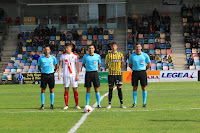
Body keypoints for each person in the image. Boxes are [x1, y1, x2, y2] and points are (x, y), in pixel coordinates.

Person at [58, 43, 81, 110]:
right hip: (66, 75)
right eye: (66, 48)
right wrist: (59, 74)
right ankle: (66, 105)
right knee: (66, 89)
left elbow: (77, 66)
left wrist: (77, 74)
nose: (66, 49)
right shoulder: (62, 56)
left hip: (73, 75)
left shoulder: (75, 56)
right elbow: (60, 65)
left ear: (71, 48)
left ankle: (76, 104)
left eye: (68, 47)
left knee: (75, 89)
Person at [129, 43, 151, 108]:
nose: (138, 48)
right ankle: (135, 103)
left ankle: (144, 103)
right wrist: (135, 68)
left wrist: (144, 69)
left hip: (142, 72)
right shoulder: (132, 56)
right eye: (137, 47)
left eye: (139, 47)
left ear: (141, 48)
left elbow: (149, 64)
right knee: (135, 87)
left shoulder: (145, 55)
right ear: (135, 48)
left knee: (144, 87)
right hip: (135, 72)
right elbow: (130, 65)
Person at [105, 43, 126, 109]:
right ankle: (109, 103)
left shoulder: (120, 55)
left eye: (114, 46)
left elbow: (123, 63)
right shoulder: (108, 55)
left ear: (117, 46)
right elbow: (106, 64)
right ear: (111, 47)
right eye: (112, 46)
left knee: (119, 88)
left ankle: (121, 103)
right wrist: (110, 69)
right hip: (111, 74)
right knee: (110, 88)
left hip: (118, 74)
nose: (113, 47)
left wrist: (119, 68)